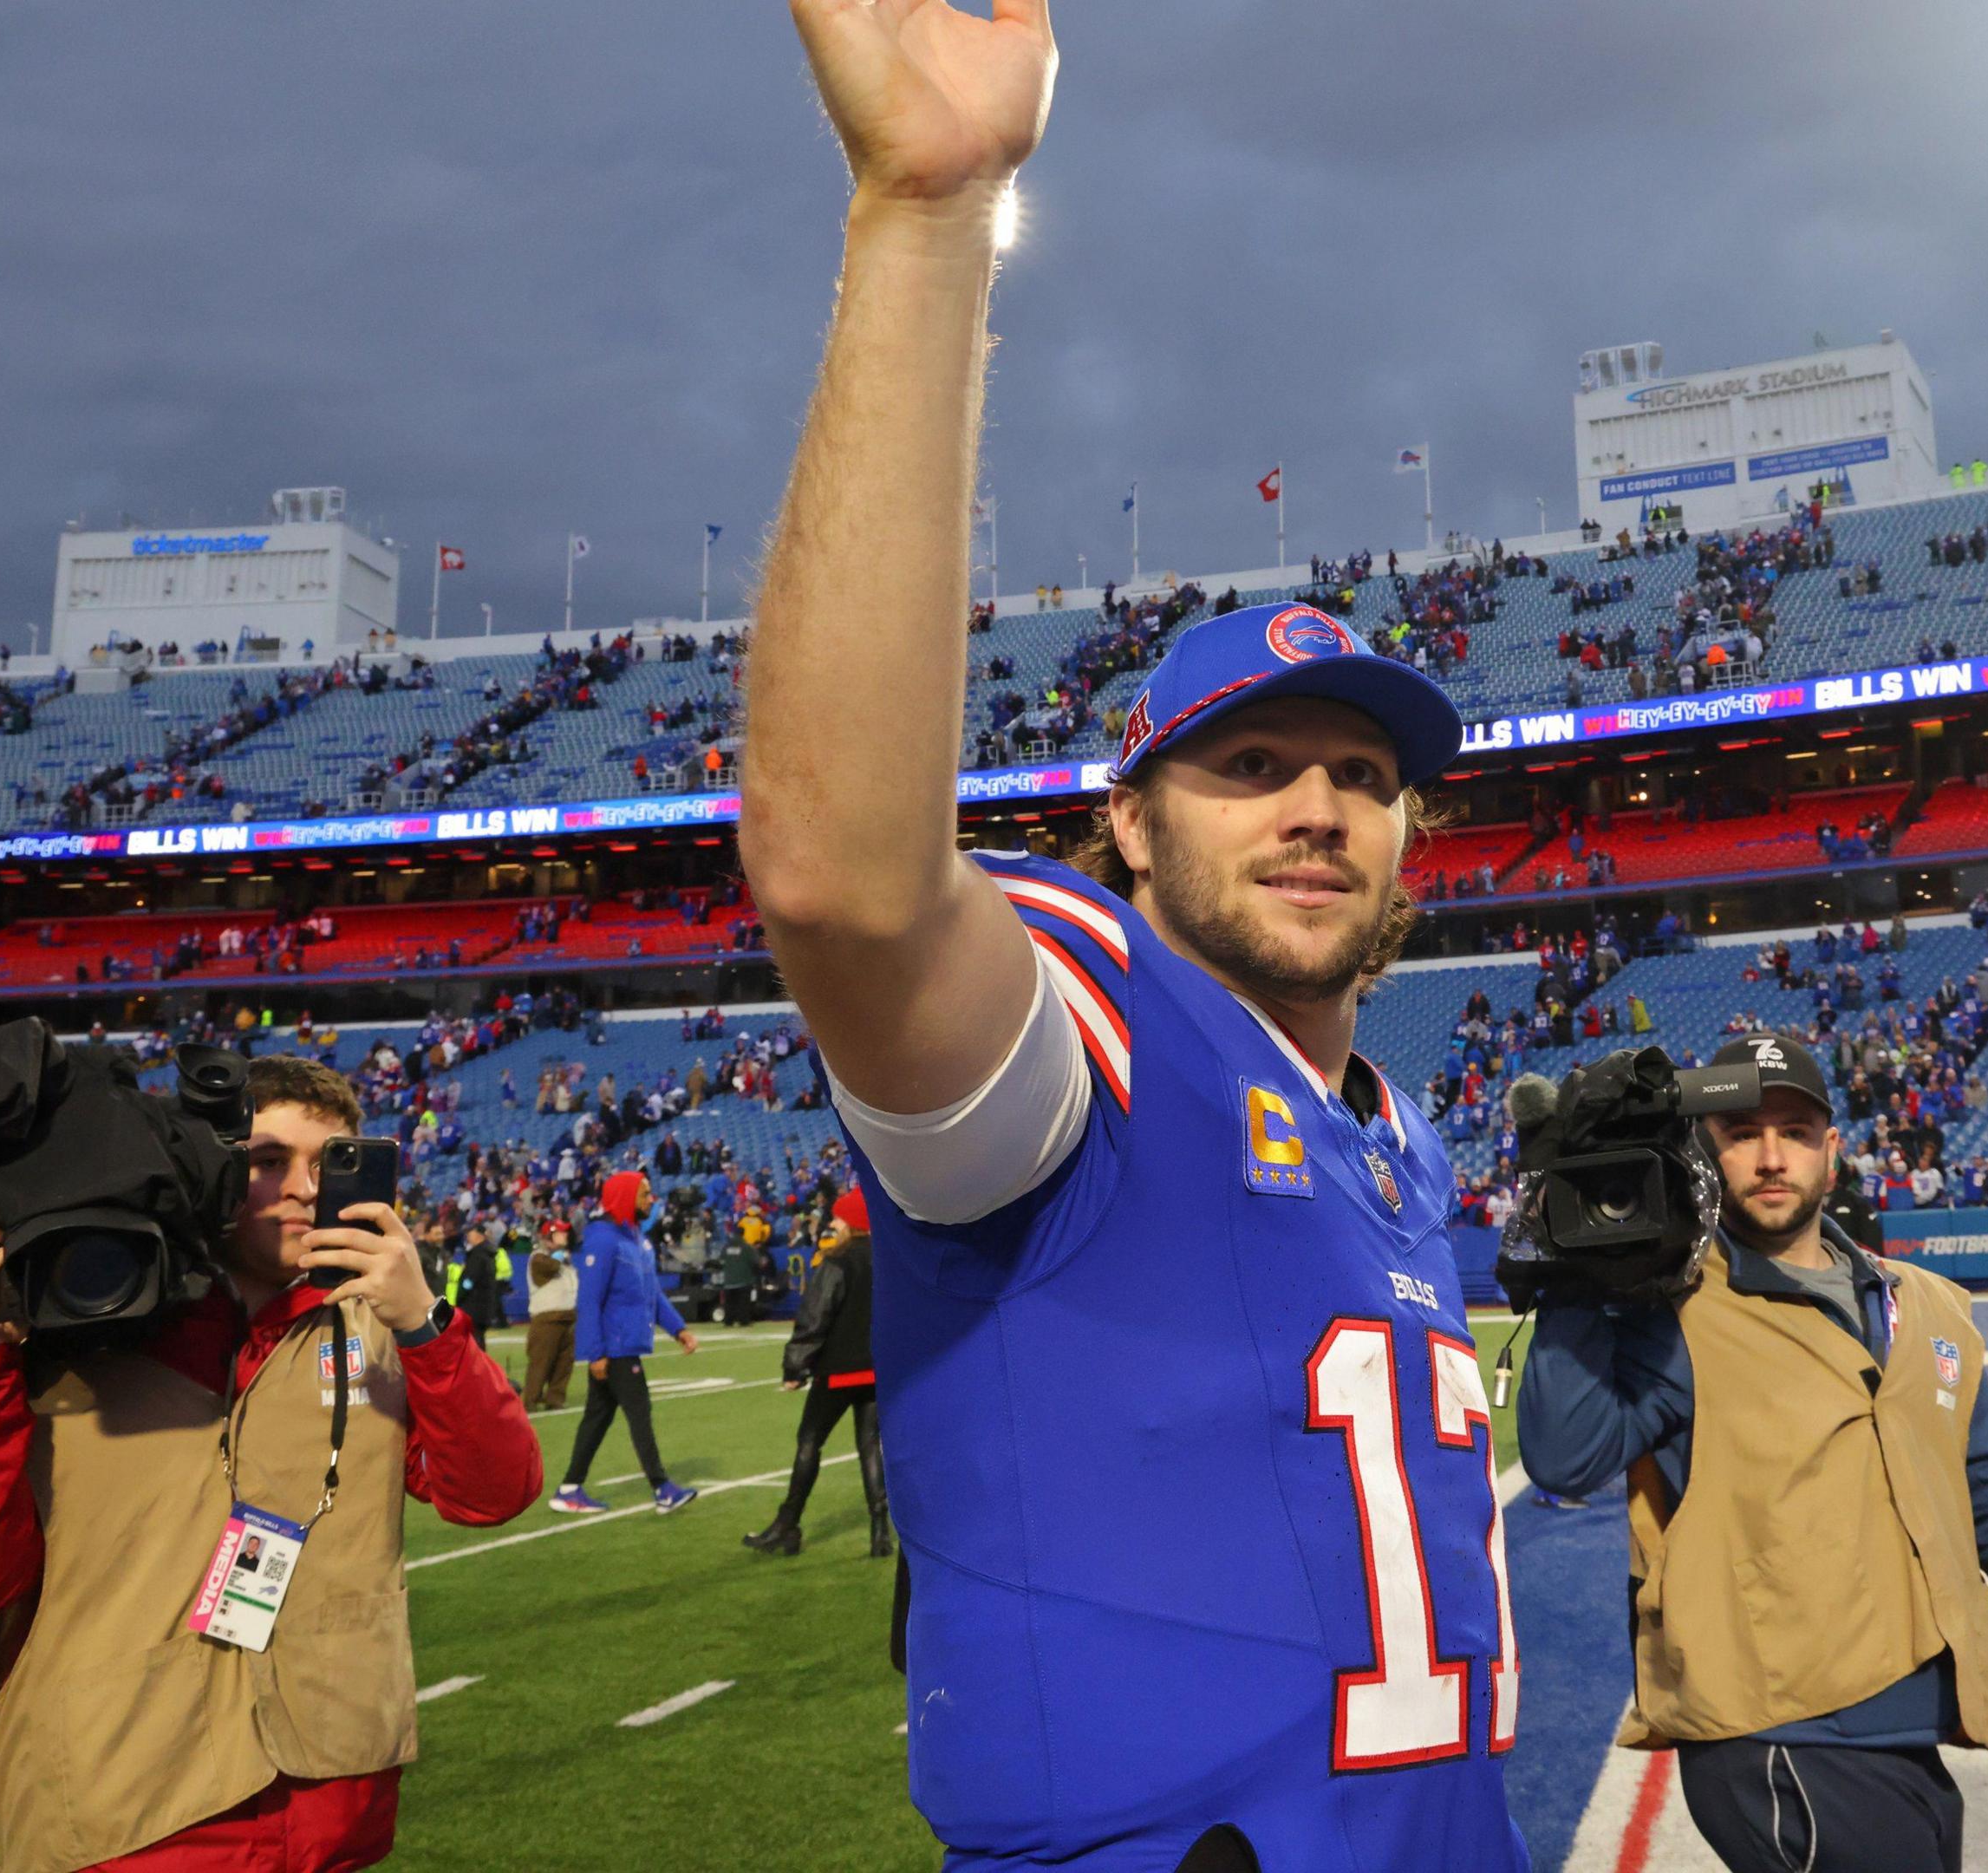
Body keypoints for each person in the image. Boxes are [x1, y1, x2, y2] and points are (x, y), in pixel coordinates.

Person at [735, 0, 1516, 1858]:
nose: (1319, 805)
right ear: (1129, 822)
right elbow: (847, 887)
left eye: (1360, 773)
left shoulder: (1392, 1131)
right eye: (1249, 765)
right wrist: (924, 215)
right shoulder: (1088, 1025)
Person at [0, 1054, 546, 1873]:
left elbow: (494, 1494)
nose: (306, 1188)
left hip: (323, 1796)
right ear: (203, 1166)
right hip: (120, 1804)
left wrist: (426, 1324)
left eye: (332, 1164)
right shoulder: (76, 1322)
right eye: (268, 1162)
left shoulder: (383, 1327)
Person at [1521, 1036, 1988, 1873]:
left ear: (1832, 1150)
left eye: (1795, 1130)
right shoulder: (1676, 1310)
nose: (1771, 1157)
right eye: (1741, 1133)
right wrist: (1575, 1272)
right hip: (1773, 1735)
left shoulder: (1926, 1306)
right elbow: (1566, 1457)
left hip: (1908, 1724)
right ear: (1705, 1151)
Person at [746, 1186, 888, 1558]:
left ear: (851, 1222)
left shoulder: (836, 1261)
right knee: (870, 1447)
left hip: (838, 1372)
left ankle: (787, 1524)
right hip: (875, 1372)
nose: (833, 1223)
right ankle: (879, 1532)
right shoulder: (888, 1259)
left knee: (809, 1441)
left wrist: (795, 1366)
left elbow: (815, 1317)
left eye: (839, 1218)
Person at [549, 1171, 701, 1515]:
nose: (652, 1199)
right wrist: (596, 1353)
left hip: (623, 1345)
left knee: (597, 1418)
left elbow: (653, 1294)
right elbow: (589, 1300)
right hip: (615, 1348)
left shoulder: (636, 1239)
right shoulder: (602, 1240)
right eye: (645, 1193)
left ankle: (570, 1487)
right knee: (639, 1413)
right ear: (625, 1196)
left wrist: (679, 1330)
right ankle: (662, 1488)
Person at [521, 1219, 578, 1411]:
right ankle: (530, 1400)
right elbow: (551, 1267)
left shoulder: (565, 1259)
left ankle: (555, 1398)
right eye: (561, 1233)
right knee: (541, 1362)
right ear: (549, 1237)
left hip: (568, 1317)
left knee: (564, 1363)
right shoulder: (538, 1258)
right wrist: (560, 1255)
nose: (566, 1236)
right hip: (547, 1319)